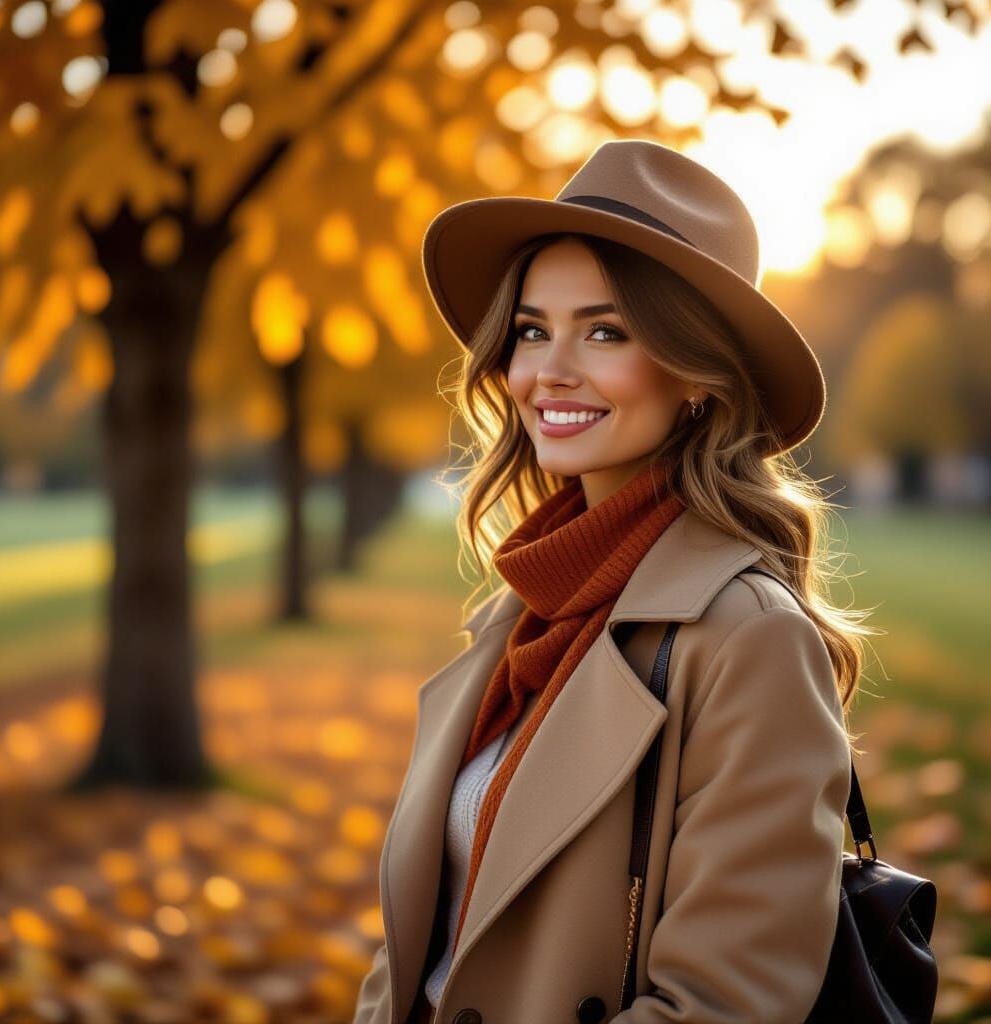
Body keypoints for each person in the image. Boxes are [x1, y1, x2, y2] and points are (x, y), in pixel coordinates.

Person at [352, 139, 875, 1024]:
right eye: (531, 330)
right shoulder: (518, 614)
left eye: (605, 331)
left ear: (697, 375)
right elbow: (416, 948)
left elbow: (723, 1004)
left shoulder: (749, 638)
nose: (550, 369)